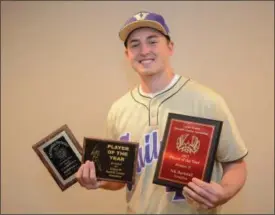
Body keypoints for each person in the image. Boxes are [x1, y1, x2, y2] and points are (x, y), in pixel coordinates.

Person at [76, 11, 248, 214]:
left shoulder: (208, 101)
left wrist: (223, 192)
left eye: (152, 41)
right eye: (135, 44)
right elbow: (119, 180)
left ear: (170, 47)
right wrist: (98, 181)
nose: (144, 50)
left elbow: (235, 164)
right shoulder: (118, 109)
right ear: (127, 55)